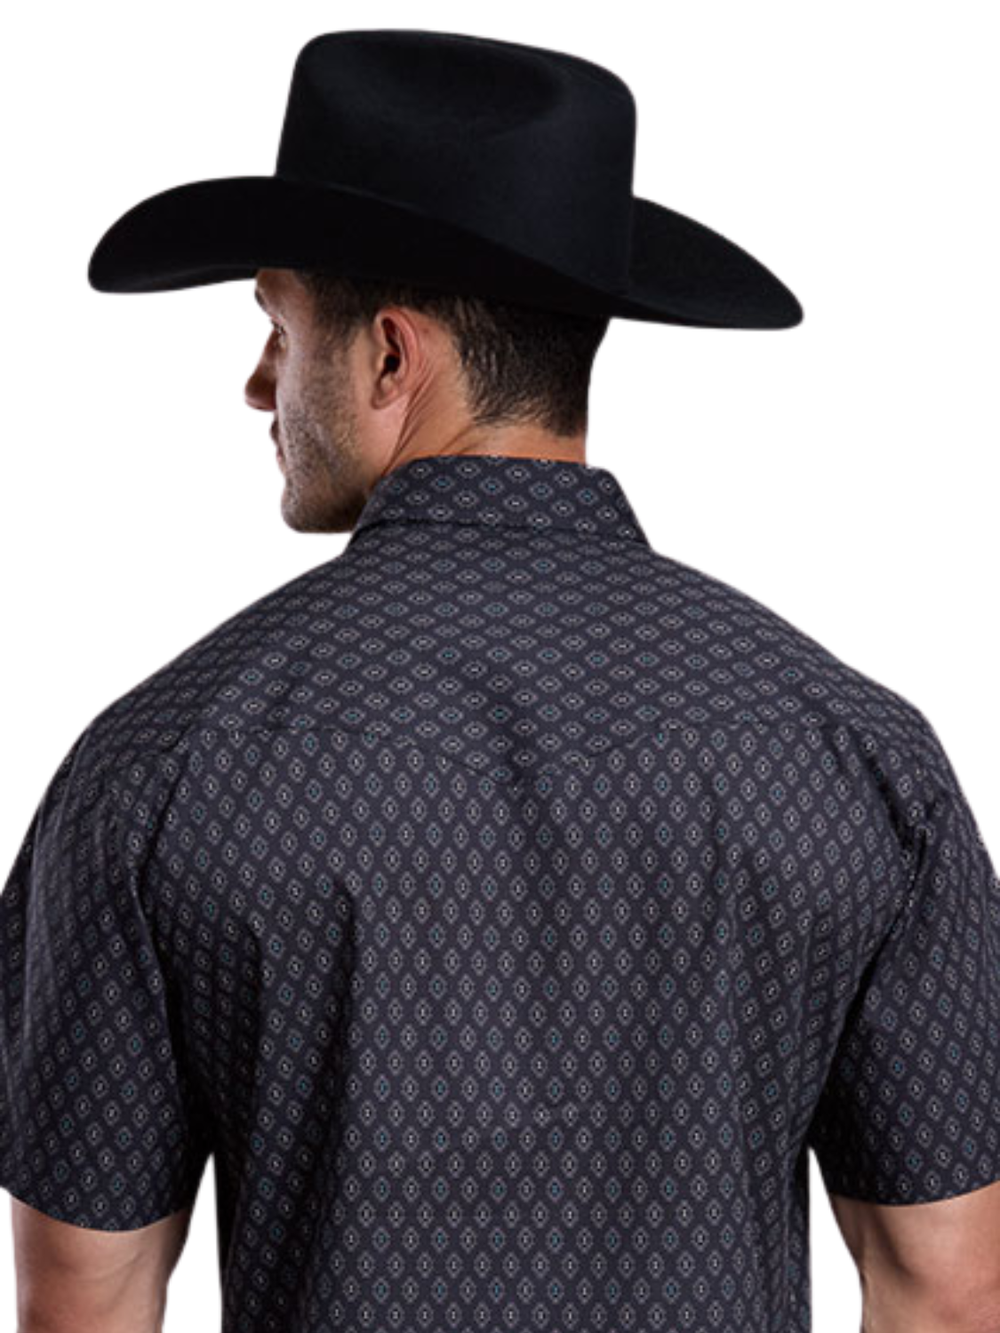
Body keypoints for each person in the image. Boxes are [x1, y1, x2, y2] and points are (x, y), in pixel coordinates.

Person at [2, 28, 999, 1333]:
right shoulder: (851, 752)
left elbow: (85, 1297)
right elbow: (949, 1286)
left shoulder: (163, 763)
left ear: (390, 358)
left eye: (277, 329)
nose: (258, 386)